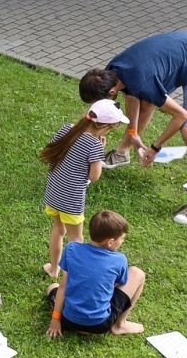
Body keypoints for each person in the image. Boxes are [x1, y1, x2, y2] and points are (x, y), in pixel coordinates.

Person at [79, 31, 187, 226]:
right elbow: (132, 96)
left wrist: (155, 147)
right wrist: (133, 134)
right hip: (181, 52)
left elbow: (181, 115)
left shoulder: (143, 81)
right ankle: (122, 153)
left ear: (112, 91)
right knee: (146, 102)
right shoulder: (111, 72)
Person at [40, 98, 127, 279]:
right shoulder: (94, 145)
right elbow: (94, 177)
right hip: (71, 201)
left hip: (54, 193)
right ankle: (71, 276)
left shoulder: (67, 129)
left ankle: (54, 269)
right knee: (76, 241)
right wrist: (100, 152)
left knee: (58, 230)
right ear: (105, 127)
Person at [45, 209, 145, 338]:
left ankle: (73, 321)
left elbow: (63, 287)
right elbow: (119, 284)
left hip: (67, 320)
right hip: (100, 325)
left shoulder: (72, 248)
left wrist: (56, 319)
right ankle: (120, 325)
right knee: (138, 273)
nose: (122, 242)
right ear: (110, 242)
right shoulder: (120, 259)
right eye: (122, 239)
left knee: (53, 287)